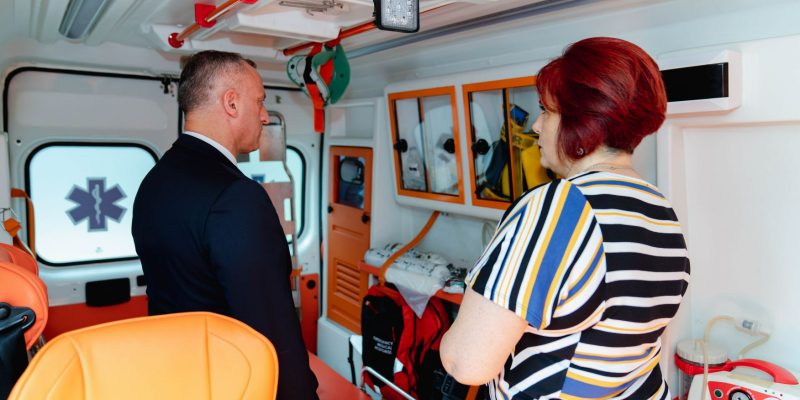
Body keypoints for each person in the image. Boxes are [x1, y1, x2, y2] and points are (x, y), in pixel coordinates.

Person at [440, 37, 690, 399]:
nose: (536, 126)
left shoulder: (558, 207)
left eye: (547, 111)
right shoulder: (661, 211)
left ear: (582, 123)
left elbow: (467, 363)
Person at [132, 50, 319, 400]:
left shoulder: (154, 181)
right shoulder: (237, 197)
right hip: (231, 384)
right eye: (260, 101)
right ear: (231, 103)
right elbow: (270, 327)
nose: (265, 116)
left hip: (177, 378)